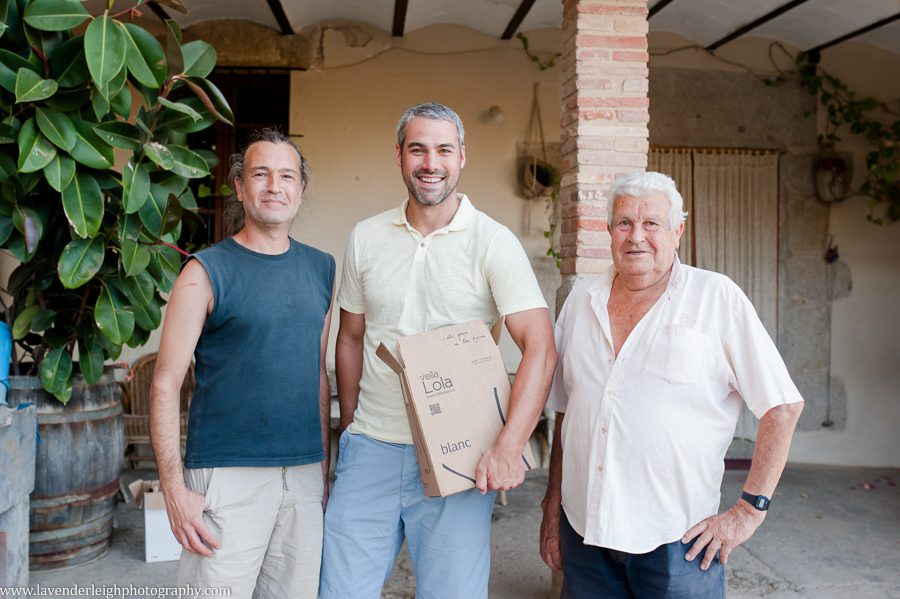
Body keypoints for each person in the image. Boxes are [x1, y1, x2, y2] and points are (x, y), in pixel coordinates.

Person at [319, 102, 557, 598]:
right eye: (418, 149)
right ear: (400, 157)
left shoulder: (494, 242)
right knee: (340, 591)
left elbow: (540, 348)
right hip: (372, 448)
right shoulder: (366, 237)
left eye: (444, 149)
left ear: (462, 157)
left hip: (463, 456)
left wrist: (509, 446)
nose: (431, 162)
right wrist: (352, 429)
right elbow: (350, 337)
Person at [539, 171, 804, 598]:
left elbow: (783, 407)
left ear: (677, 231)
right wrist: (552, 505)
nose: (636, 237)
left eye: (652, 224)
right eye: (624, 223)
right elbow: (567, 410)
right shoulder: (581, 301)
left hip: (678, 540)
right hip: (584, 530)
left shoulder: (716, 298)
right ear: (609, 231)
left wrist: (748, 511)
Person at [150, 129, 335, 599]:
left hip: (303, 475)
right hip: (225, 479)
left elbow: (317, 371)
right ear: (238, 186)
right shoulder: (205, 271)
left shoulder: (322, 268)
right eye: (261, 174)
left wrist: (324, 469)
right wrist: (174, 489)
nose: (275, 185)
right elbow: (166, 382)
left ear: (300, 189)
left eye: (287, 175)